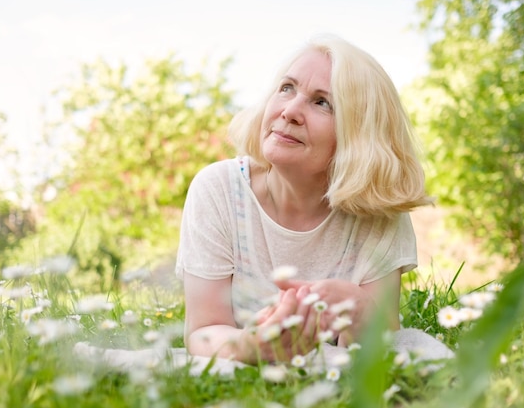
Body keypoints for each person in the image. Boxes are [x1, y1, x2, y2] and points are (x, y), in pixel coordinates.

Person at [175, 34, 434, 365]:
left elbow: (383, 346)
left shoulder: (380, 213)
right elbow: (203, 332)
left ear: (359, 137)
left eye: (322, 102)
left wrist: (362, 313)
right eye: (286, 88)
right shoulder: (217, 190)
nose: (290, 111)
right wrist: (253, 347)